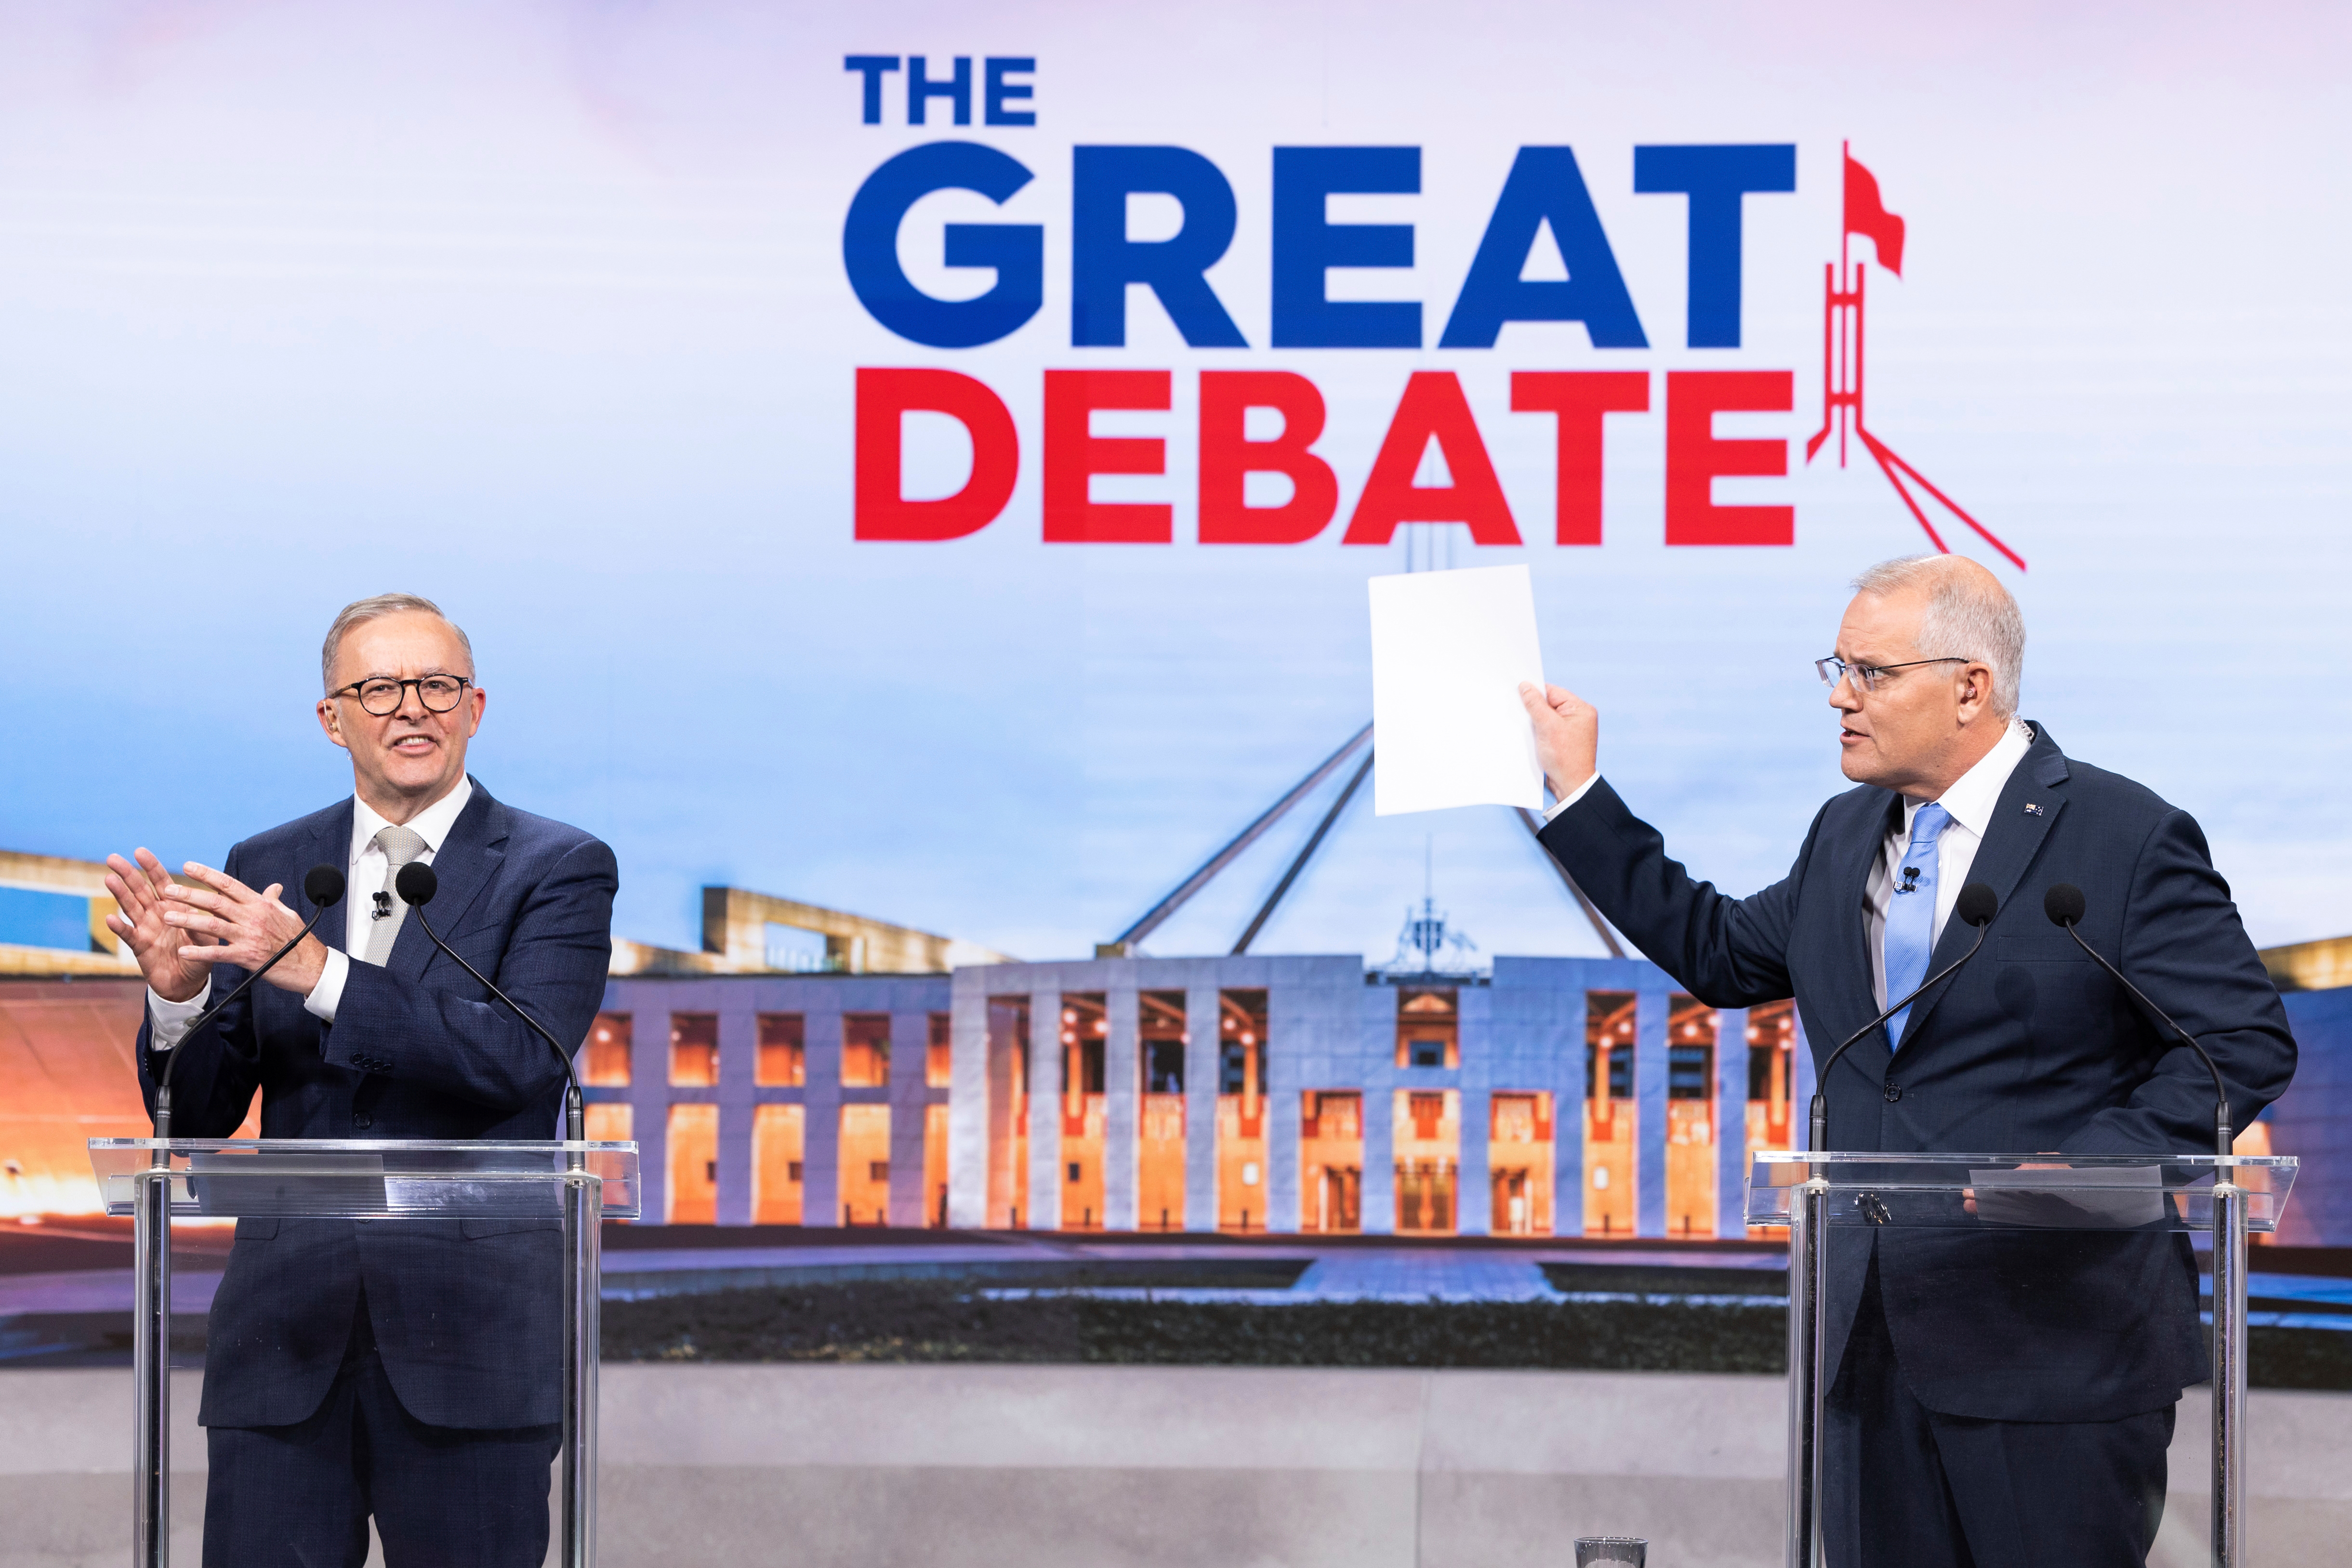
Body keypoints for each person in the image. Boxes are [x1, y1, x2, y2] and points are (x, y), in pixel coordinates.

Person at [1519, 554, 2294, 1567]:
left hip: (2052, 1350)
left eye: (1870, 672)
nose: (1840, 695)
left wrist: (2091, 1166)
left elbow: (2238, 1039)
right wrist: (1577, 788)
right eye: (1835, 668)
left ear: (1969, 684)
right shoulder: (1842, 835)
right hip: (1866, 1349)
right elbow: (1712, 950)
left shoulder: (2122, 835)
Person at [105, 593, 617, 1568]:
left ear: (474, 707)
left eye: (437, 684)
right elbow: (205, 1113)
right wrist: (178, 1002)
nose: (411, 707)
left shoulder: (559, 866)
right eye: (378, 687)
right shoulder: (267, 864)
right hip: (284, 1337)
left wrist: (317, 970)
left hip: (469, 1336)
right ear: (331, 717)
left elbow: (517, 1056)